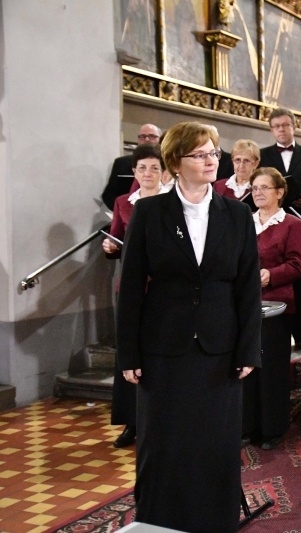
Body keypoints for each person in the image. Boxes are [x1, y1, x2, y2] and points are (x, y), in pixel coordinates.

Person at [116, 122, 261, 532]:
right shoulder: (149, 212)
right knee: (162, 441)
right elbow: (131, 288)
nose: (211, 160)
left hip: (219, 348)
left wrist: (249, 349)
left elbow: (248, 287)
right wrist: (128, 353)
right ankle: (158, 522)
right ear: (175, 162)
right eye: (200, 154)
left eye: (214, 152)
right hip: (164, 348)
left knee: (216, 442)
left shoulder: (237, 214)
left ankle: (215, 520)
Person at [102, 143, 168, 449]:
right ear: (134, 172)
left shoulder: (171, 201)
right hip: (130, 288)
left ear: (163, 172)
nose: (148, 173)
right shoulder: (123, 202)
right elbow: (116, 239)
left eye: (154, 168)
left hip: (162, 288)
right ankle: (131, 422)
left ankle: (160, 420)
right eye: (142, 168)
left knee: (159, 352)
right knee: (128, 352)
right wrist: (110, 248)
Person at [242, 167, 301, 450]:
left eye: (264, 187)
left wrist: (270, 275)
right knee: (245, 365)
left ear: (280, 192)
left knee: (271, 369)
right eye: (254, 188)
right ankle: (246, 425)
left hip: (276, 305)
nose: (257, 193)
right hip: (244, 304)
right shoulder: (244, 220)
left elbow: (296, 265)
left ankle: (272, 428)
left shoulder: (291, 224)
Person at [259, 107, 301, 349]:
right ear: (271, 130)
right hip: (270, 222)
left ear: (294, 127)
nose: (281, 130)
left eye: (285, 125)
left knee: (300, 277)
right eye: (276, 126)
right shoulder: (263, 155)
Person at [101, 123, 161, 209]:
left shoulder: (169, 163)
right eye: (142, 136)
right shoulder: (121, 163)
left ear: (160, 139)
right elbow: (109, 195)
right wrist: (123, 210)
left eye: (152, 136)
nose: (147, 139)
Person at [212, 138, 260, 211]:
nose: (241, 165)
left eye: (246, 161)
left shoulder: (260, 188)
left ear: (256, 164)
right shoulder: (218, 186)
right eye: (237, 160)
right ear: (232, 161)